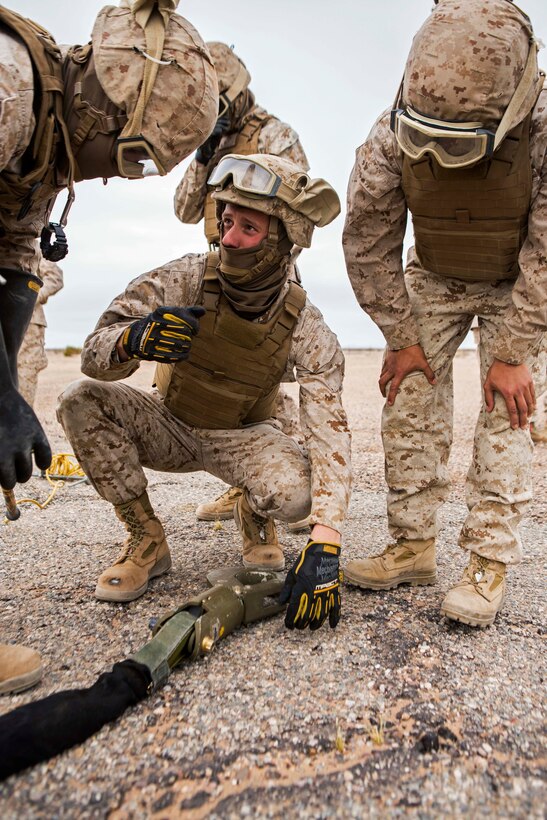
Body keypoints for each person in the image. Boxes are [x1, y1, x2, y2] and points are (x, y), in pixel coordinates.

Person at [0, 0, 217, 696]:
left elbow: (11, 252)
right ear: (103, 105)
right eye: (132, 158)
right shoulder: (8, 93)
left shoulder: (46, 141)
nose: (120, 178)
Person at [57, 153, 351, 634]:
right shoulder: (186, 277)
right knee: (80, 398)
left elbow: (331, 431)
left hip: (242, 436)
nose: (229, 238)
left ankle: (254, 513)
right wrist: (134, 340)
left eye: (249, 229)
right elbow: (93, 353)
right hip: (168, 422)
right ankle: (146, 540)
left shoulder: (304, 323)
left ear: (281, 241)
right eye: (227, 220)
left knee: (297, 493)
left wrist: (326, 540)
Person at [342, 0, 546, 628]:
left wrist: (512, 352)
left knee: (506, 416)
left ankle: (487, 562)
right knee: (408, 398)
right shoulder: (391, 132)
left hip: (518, 280)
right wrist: (400, 337)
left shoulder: (542, 133)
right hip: (433, 274)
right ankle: (412, 545)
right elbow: (368, 238)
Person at [174, 41, 310, 525]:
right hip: (221, 272)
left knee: (269, 378)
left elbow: (294, 212)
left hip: (267, 275)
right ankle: (244, 486)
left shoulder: (275, 134)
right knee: (229, 375)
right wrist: (201, 159)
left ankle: (278, 485)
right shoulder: (211, 144)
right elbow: (185, 210)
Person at [17, 251, 64, 407]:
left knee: (25, 371)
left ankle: (21, 426)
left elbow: (55, 278)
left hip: (28, 322)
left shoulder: (31, 248)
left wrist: (30, 298)